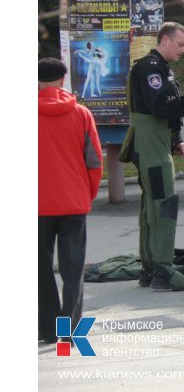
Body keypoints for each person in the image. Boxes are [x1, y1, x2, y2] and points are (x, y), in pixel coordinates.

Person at [120, 21, 184, 291]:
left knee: (151, 205)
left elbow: (164, 111)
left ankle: (150, 268)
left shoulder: (159, 69)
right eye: (181, 44)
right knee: (163, 204)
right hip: (151, 147)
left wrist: (176, 139)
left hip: (155, 142)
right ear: (164, 40)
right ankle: (163, 270)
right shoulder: (150, 68)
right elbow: (161, 106)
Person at [38, 58, 103, 344]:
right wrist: (86, 194)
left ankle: (48, 329)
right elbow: (94, 161)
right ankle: (71, 328)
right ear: (63, 80)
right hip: (73, 201)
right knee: (73, 268)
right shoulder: (81, 114)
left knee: (38, 268)